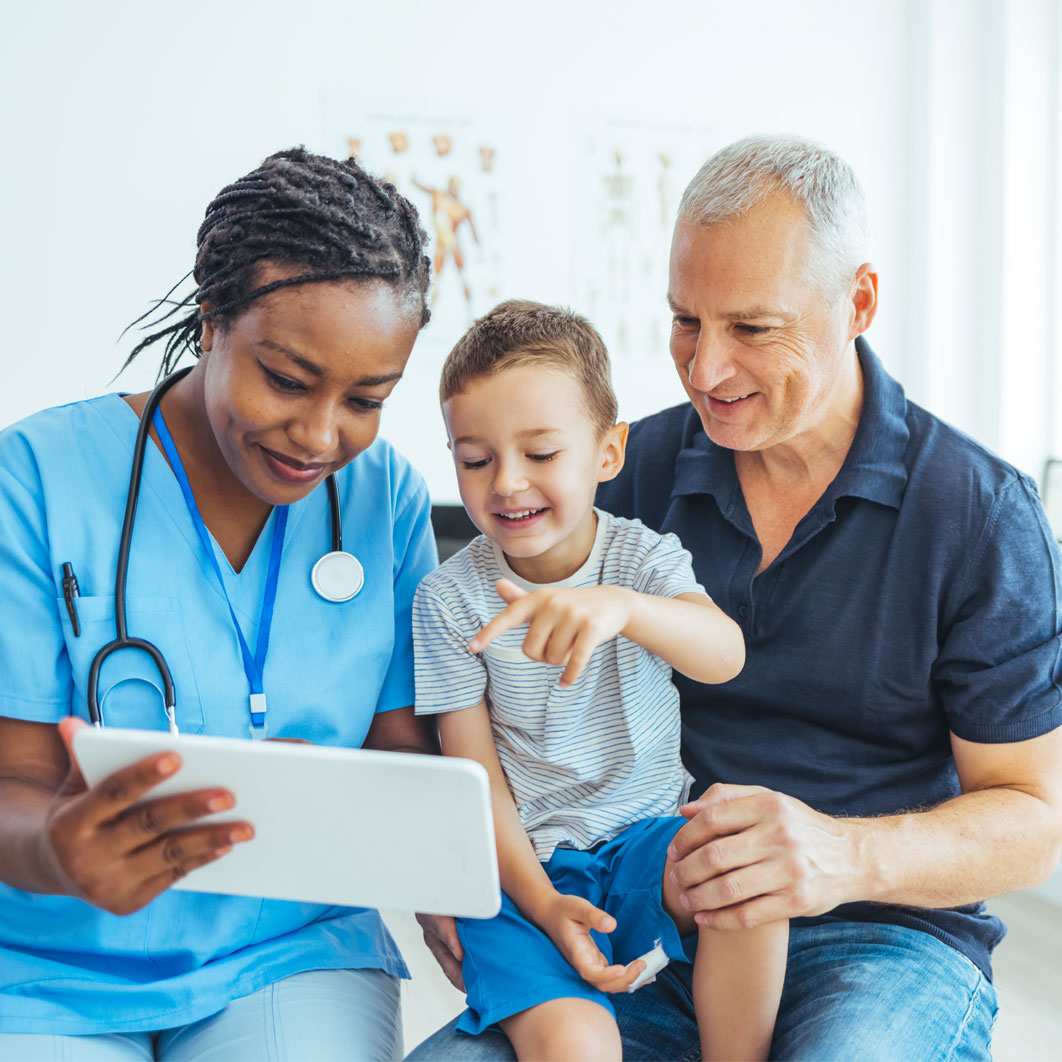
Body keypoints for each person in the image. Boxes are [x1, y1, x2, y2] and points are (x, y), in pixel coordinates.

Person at [410, 135, 1062, 1061]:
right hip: (642, 906)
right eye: (685, 320)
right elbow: (480, 701)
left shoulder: (976, 513)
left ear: (859, 303)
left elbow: (1035, 823)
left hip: (881, 938)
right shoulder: (626, 473)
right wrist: (464, 872)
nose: (704, 369)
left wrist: (842, 855)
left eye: (751, 328)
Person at [0, 148, 438, 1060]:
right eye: (285, 379)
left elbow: (409, 760)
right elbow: (16, 779)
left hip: (290, 948)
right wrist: (54, 850)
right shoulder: (35, 480)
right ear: (212, 324)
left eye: (366, 399)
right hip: (46, 959)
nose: (321, 435)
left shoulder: (382, 498)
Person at [411, 300, 787, 1061]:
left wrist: (621, 609)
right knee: (576, 1043)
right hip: (524, 875)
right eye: (475, 459)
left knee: (750, 868)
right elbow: (475, 780)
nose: (507, 484)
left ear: (607, 453)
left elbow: (723, 653)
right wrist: (545, 903)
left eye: (541, 454)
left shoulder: (642, 560)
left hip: (647, 842)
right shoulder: (447, 600)